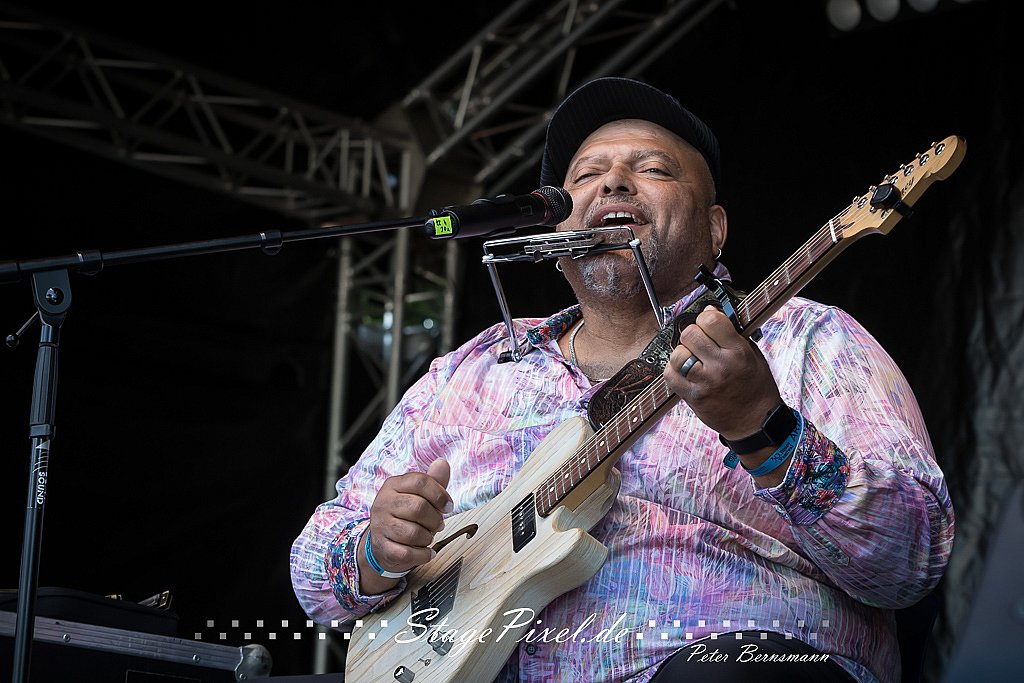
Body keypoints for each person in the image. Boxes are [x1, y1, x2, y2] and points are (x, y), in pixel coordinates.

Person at [290, 77, 954, 682]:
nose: (613, 183)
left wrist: (766, 428)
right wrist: (379, 550)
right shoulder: (477, 368)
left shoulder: (805, 337)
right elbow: (314, 568)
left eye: (654, 169)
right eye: (586, 175)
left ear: (715, 230)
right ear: (553, 227)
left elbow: (912, 560)